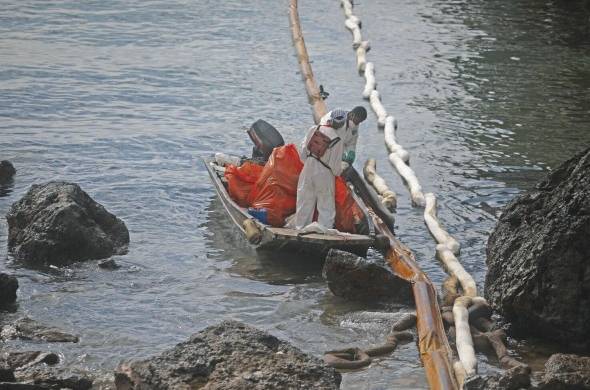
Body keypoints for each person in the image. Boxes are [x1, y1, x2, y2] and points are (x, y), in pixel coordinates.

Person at [295, 109, 347, 230]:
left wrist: (308, 161)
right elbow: (335, 168)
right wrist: (340, 171)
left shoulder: (315, 129)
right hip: (324, 172)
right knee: (326, 205)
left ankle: (300, 229)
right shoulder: (338, 139)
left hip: (308, 167)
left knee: (304, 200)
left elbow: (302, 151)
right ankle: (325, 231)